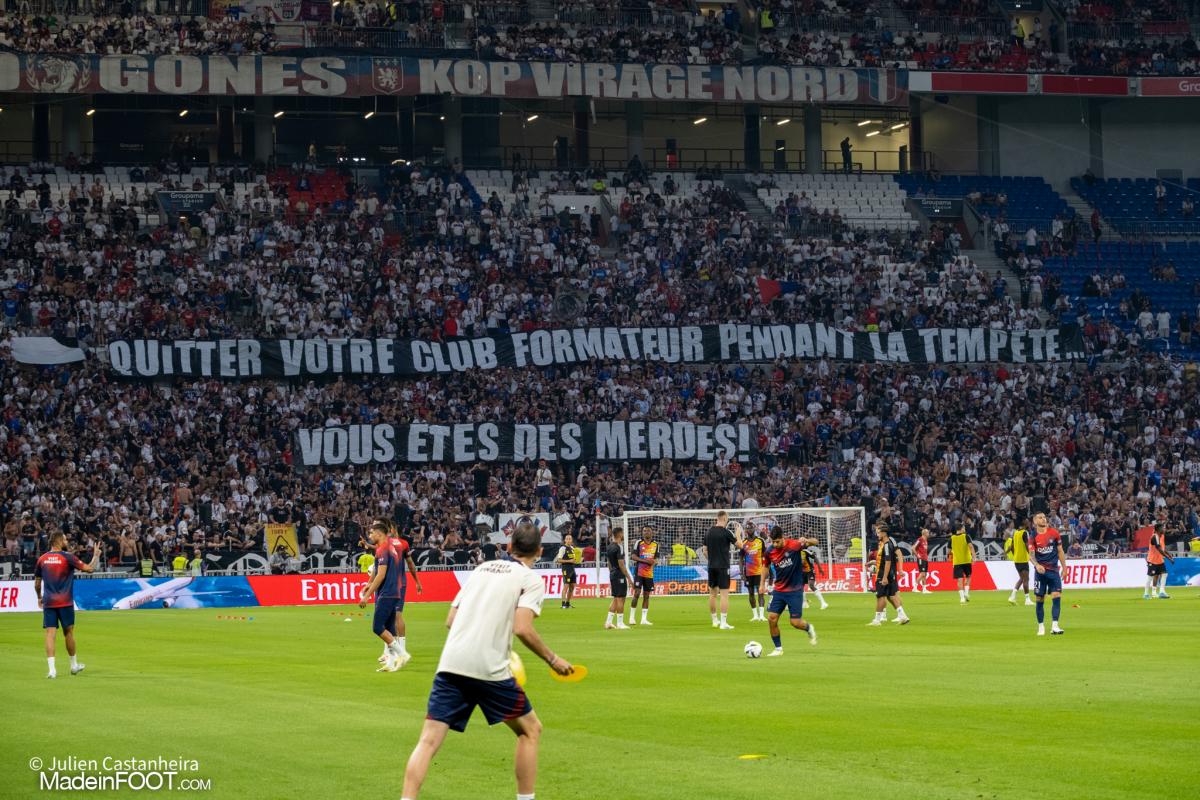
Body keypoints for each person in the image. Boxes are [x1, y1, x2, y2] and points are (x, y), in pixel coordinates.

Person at [401, 522, 573, 800]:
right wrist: (553, 659)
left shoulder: (480, 570)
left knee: (428, 740)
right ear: (539, 552)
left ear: (508, 547)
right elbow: (523, 628)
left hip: (452, 662)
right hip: (490, 668)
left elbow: (450, 620)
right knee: (530, 730)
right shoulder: (530, 580)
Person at [34, 533, 102, 678]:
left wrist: (39, 597)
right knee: (68, 633)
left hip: (49, 602)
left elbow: (37, 583)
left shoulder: (42, 559)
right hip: (65, 602)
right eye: (65, 539)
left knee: (50, 634)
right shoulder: (67, 557)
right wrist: (96, 556)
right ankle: (73, 666)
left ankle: (52, 670)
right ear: (58, 541)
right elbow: (89, 569)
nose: (66, 541)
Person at [358, 521, 407, 672]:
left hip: (387, 593)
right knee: (389, 628)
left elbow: (380, 575)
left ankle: (402, 654)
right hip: (394, 591)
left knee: (377, 627)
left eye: (372, 533)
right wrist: (369, 583)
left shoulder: (383, 549)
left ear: (379, 533)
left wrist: (367, 596)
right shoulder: (390, 548)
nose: (370, 535)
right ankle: (391, 663)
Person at [763, 529, 819, 657]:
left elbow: (816, 541)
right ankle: (778, 649)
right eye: (773, 542)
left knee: (795, 622)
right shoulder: (769, 551)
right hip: (779, 590)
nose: (775, 544)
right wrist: (762, 584)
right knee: (771, 618)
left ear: (782, 538)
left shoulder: (794, 545)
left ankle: (809, 628)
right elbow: (765, 566)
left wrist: (807, 540)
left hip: (795, 590)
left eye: (777, 541)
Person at [378, 519, 423, 666]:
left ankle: (401, 651)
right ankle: (388, 653)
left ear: (391, 529)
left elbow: (410, 563)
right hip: (390, 585)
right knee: (387, 618)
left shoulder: (400, 544)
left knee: (396, 616)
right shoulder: (391, 545)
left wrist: (417, 581)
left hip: (397, 585)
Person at [702, 510, 743, 630]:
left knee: (712, 595)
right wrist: (738, 534)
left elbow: (705, 550)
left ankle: (715, 621)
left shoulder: (708, 532)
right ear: (724, 519)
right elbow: (740, 546)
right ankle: (724, 623)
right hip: (723, 567)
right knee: (724, 595)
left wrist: (712, 560)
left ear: (717, 518)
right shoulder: (726, 532)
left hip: (711, 566)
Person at [1029, 512, 1067, 636]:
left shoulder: (1054, 533)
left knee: (1056, 596)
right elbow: (1031, 555)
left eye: (1044, 517)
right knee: (1040, 599)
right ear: (1035, 521)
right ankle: (1041, 627)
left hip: (1054, 571)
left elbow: (1060, 551)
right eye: (1040, 517)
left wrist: (1065, 568)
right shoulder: (1033, 536)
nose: (1043, 519)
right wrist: (1037, 565)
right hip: (1040, 572)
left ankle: (1055, 626)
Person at [868, 524, 909, 626]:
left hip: (883, 574)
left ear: (884, 533)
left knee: (880, 596)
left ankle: (877, 620)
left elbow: (888, 562)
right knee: (891, 596)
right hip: (888, 573)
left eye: (878, 532)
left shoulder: (887, 545)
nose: (877, 535)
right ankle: (902, 615)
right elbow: (883, 560)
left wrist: (885, 577)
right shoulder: (885, 543)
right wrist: (874, 562)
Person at [627, 525, 659, 626]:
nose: (646, 532)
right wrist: (646, 561)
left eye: (648, 531)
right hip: (639, 573)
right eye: (644, 531)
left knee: (646, 596)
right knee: (636, 593)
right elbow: (633, 556)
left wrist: (654, 562)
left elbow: (656, 559)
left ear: (652, 532)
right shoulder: (638, 543)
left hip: (649, 574)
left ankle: (643, 619)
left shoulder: (655, 545)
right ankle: (631, 618)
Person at [604, 527, 632, 630]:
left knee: (616, 599)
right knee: (621, 599)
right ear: (620, 534)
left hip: (613, 574)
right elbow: (621, 564)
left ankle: (608, 622)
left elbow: (609, 563)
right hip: (619, 574)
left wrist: (611, 573)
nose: (624, 535)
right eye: (623, 533)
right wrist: (629, 578)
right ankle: (620, 623)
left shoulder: (609, 546)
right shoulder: (619, 547)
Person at [741, 525, 768, 621]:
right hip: (748, 572)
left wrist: (766, 569)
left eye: (751, 528)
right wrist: (742, 573)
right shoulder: (743, 542)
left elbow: (766, 556)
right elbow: (741, 559)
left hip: (759, 571)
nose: (749, 530)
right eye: (748, 528)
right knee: (751, 593)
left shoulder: (760, 541)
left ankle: (762, 615)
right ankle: (755, 615)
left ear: (754, 529)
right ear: (746, 530)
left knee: (761, 592)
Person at [1144, 522, 1175, 599]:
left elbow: (1163, 548)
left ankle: (1162, 592)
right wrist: (1169, 558)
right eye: (1162, 528)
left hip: (1160, 560)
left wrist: (1168, 554)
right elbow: (1159, 549)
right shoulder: (1155, 537)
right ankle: (1146, 594)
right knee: (1150, 577)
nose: (1164, 529)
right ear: (1158, 529)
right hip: (1152, 560)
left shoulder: (1162, 536)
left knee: (1164, 574)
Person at [1005, 522, 1033, 606]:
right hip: (1023, 560)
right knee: (1026, 579)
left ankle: (1012, 596)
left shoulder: (1015, 533)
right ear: (1025, 523)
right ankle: (1027, 600)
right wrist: (1031, 555)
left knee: (1021, 578)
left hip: (1016, 560)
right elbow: (1027, 545)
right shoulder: (1025, 532)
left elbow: (1012, 547)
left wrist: (1015, 555)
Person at [950, 524, 975, 604]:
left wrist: (951, 555)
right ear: (961, 529)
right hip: (967, 560)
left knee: (959, 580)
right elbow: (971, 546)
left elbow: (948, 550)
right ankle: (966, 593)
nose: (964, 529)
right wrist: (974, 556)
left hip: (957, 562)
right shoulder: (966, 536)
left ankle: (962, 598)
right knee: (968, 577)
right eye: (964, 528)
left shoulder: (952, 538)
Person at [554, 533, 581, 609]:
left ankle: (568, 603)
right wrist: (570, 561)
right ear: (565, 540)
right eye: (567, 539)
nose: (569, 540)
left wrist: (576, 560)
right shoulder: (562, 548)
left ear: (572, 540)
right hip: (566, 569)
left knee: (572, 587)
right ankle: (563, 604)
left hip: (572, 569)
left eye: (570, 539)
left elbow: (574, 560)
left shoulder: (572, 548)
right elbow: (558, 560)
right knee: (566, 586)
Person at [800, 542, 828, 610]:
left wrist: (820, 568)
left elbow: (815, 557)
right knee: (800, 587)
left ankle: (823, 603)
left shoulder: (805, 551)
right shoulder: (795, 553)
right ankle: (804, 604)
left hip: (810, 571)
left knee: (811, 585)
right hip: (801, 572)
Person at [913, 528, 931, 594]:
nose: (928, 534)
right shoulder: (920, 539)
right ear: (924, 533)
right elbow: (913, 548)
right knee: (922, 573)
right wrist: (917, 555)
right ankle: (914, 587)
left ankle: (924, 589)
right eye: (928, 533)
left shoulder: (926, 540)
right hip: (921, 559)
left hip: (925, 559)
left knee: (925, 574)